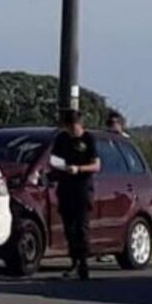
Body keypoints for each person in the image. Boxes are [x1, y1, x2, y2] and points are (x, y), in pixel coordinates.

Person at [52, 110, 101, 279]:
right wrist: (60, 167)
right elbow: (54, 160)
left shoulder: (88, 139)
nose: (72, 131)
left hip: (82, 187)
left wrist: (78, 168)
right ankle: (73, 260)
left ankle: (83, 263)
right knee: (69, 227)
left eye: (74, 127)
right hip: (65, 187)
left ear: (80, 125)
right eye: (69, 127)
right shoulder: (62, 139)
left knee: (82, 227)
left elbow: (96, 165)